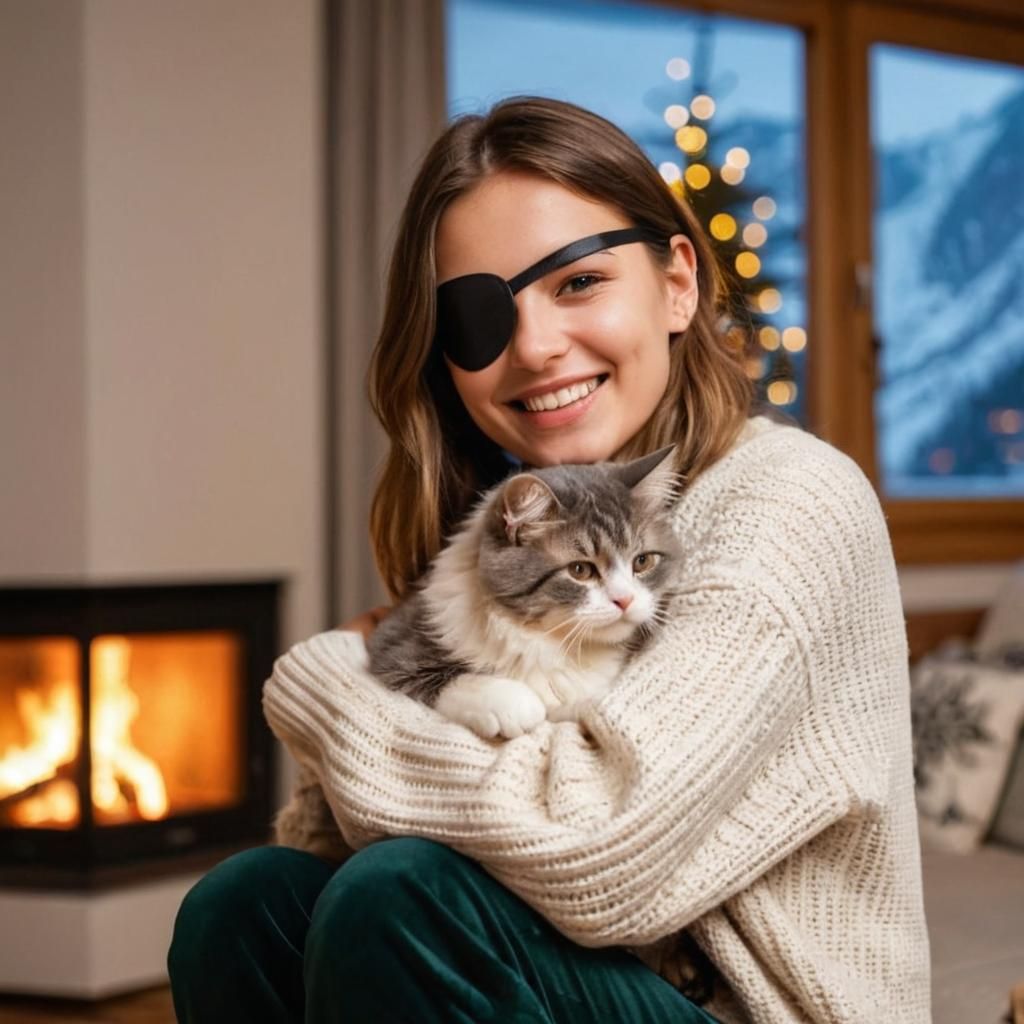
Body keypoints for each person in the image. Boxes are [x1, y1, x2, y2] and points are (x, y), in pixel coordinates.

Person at [168, 97, 931, 1023]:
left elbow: (595, 849)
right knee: (241, 907)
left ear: (677, 282)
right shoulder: (508, 527)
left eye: (577, 282)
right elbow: (349, 835)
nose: (532, 347)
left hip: (751, 1010)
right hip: (586, 962)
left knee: (405, 898)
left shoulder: (790, 497)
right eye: (482, 314)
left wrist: (330, 683)